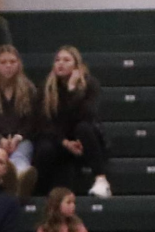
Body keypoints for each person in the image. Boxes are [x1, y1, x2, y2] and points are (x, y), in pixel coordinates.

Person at [33, 45, 111, 198]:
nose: (60, 63)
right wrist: (64, 142)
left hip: (85, 139)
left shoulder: (90, 84)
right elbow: (45, 123)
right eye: (57, 60)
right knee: (44, 147)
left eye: (66, 60)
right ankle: (39, 192)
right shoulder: (46, 88)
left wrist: (72, 90)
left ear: (77, 66)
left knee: (83, 128)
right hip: (60, 141)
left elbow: (86, 115)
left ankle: (101, 180)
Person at [0, 45, 38, 195]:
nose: (8, 66)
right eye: (3, 62)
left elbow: (32, 121)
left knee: (20, 157)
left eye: (12, 62)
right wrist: (0, 139)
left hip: (20, 139)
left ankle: (19, 183)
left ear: (18, 64)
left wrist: (18, 137)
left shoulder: (28, 88)